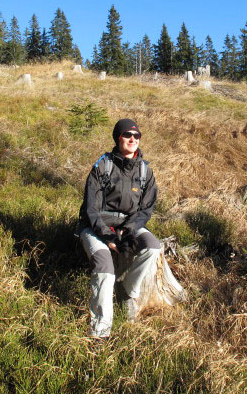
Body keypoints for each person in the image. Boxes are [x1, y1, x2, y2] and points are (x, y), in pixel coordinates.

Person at [76, 118, 161, 338]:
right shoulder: (102, 166)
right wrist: (107, 236)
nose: (132, 139)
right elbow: (90, 209)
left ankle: (127, 291)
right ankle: (100, 332)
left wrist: (129, 230)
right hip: (96, 226)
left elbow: (146, 209)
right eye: (127, 135)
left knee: (152, 247)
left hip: (127, 225)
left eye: (136, 136)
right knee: (105, 266)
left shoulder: (145, 172)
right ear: (118, 137)